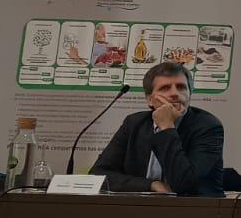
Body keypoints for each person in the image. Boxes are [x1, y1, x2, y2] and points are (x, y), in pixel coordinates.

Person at [91, 61, 224, 196]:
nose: (175, 93)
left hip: (196, 210)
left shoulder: (207, 126)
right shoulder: (134, 123)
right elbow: (98, 175)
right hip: (138, 208)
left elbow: (183, 182)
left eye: (181, 87)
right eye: (165, 88)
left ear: (190, 94)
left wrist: (166, 127)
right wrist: (150, 184)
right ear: (150, 100)